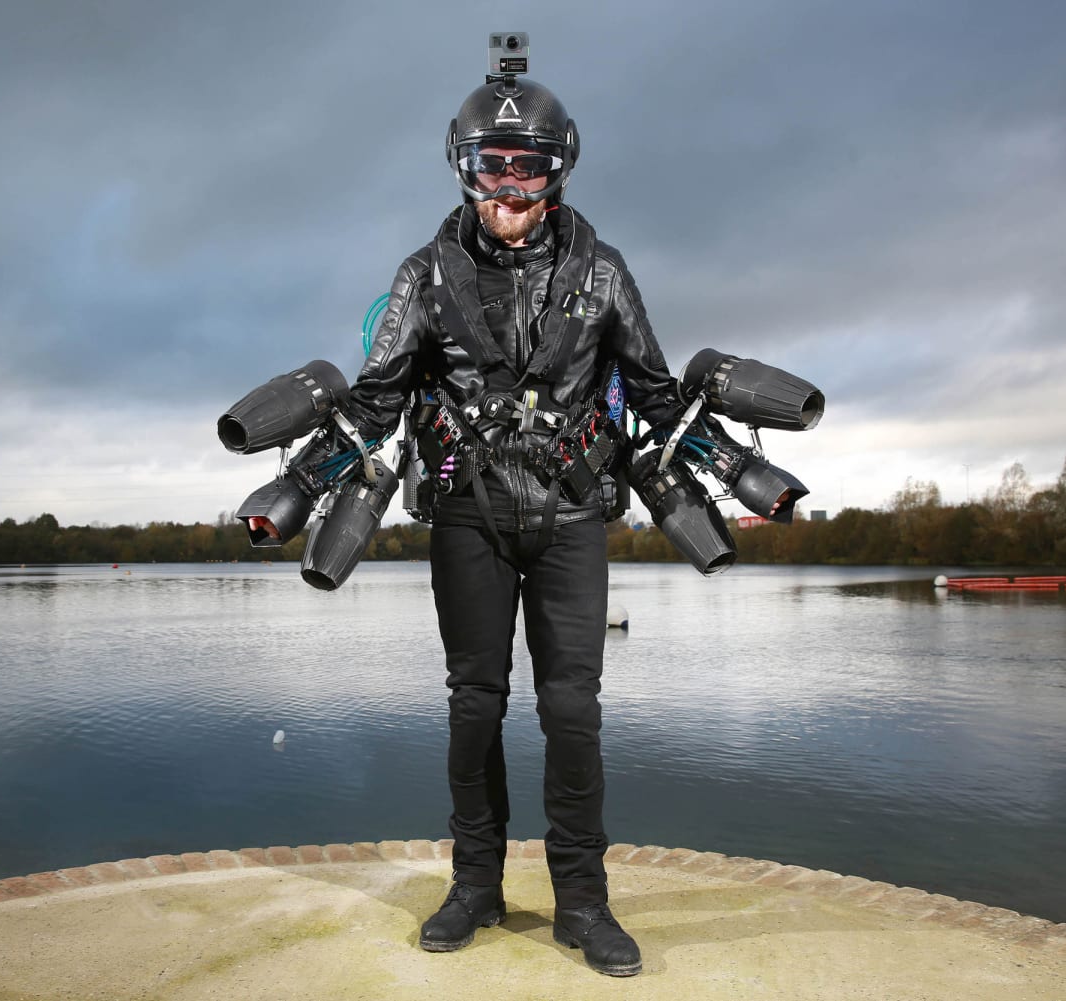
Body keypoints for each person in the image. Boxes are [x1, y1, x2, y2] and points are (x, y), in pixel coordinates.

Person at [341, 70, 685, 978]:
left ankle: (583, 901)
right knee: (473, 706)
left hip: (573, 514)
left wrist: (716, 440)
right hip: (467, 517)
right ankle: (476, 885)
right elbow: (377, 398)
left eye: (527, 170)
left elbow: (653, 389)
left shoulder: (604, 271)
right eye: (493, 168)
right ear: (464, 169)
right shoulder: (422, 275)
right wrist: (315, 446)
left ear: (557, 172)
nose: (509, 191)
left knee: (573, 711)